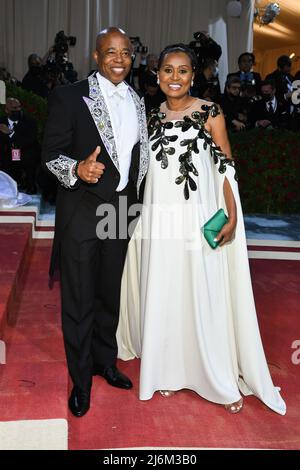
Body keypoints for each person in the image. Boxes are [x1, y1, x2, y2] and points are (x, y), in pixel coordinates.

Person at [118, 44, 286, 415]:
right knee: (165, 290)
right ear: (157, 74)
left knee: (200, 289)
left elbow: (226, 165)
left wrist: (232, 212)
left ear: (193, 76)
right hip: (159, 221)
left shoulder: (211, 112)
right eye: (167, 70)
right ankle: (165, 370)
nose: (174, 77)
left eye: (182, 71)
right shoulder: (150, 116)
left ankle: (216, 374)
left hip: (196, 218)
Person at [42, 27, 148, 417]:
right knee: (79, 299)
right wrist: (77, 169)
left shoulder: (139, 101)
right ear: (95, 55)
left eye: (125, 52)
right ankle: (81, 379)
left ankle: (106, 362)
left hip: (120, 210)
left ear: (132, 57)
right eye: (110, 52)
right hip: (83, 210)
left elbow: (138, 158)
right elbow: (50, 154)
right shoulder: (69, 96)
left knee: (109, 292)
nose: (118, 59)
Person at [0, 97, 39, 193]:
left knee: (29, 156)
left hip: (25, 150)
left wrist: (10, 133)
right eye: (14, 108)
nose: (18, 110)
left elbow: (30, 140)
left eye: (19, 107)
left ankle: (31, 185)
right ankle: (10, 185)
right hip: (8, 151)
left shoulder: (30, 121)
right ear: (7, 110)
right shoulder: (1, 122)